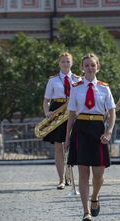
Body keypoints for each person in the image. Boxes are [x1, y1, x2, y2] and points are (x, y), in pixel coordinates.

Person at [64, 53, 116, 221]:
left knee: (99, 173)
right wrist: (67, 137)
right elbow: (71, 114)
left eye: (92, 65)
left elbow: (112, 112)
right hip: (81, 129)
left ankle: (95, 197)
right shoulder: (76, 87)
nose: (90, 68)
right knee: (83, 173)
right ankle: (86, 211)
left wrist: (108, 131)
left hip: (99, 129)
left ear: (98, 67)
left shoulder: (104, 87)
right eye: (86, 65)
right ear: (81, 68)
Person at [43, 52, 80, 189]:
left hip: (73, 110)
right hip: (57, 110)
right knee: (59, 146)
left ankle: (69, 174)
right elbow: (46, 100)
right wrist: (47, 112)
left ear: (72, 63)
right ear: (59, 63)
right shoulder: (52, 80)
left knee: (72, 145)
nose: (65, 64)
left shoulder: (77, 79)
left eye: (68, 61)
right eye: (63, 62)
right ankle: (61, 179)